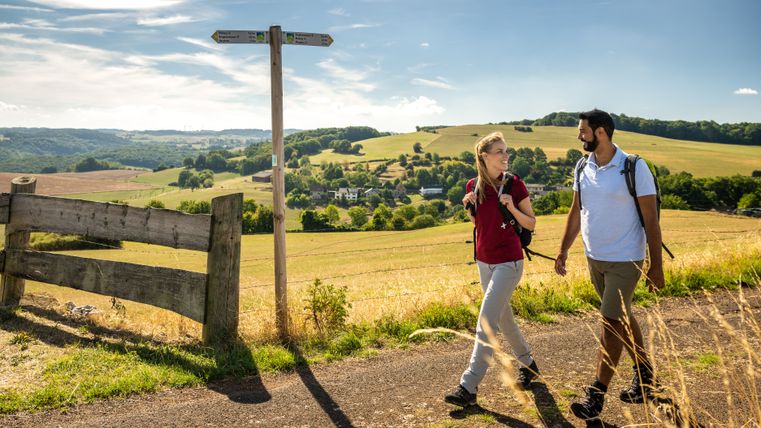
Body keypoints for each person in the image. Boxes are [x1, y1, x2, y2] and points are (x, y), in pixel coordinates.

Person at [554, 109, 664, 421]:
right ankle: (645, 377)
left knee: (610, 323)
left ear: (601, 132)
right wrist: (563, 249)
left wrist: (657, 266)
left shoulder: (633, 167)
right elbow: (577, 211)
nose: (579, 136)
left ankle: (595, 396)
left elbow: (651, 221)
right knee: (623, 317)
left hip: (626, 259)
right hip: (595, 258)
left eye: (583, 131)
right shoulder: (582, 166)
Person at [444, 131, 540, 407]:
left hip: (509, 263)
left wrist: (511, 205)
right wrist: (468, 207)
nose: (505, 156)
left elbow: (531, 223)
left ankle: (468, 385)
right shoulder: (473, 185)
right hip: (483, 262)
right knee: (504, 318)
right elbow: (480, 224)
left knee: (486, 321)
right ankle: (529, 363)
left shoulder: (515, 185)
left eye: (506, 151)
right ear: (484, 156)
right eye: (499, 151)